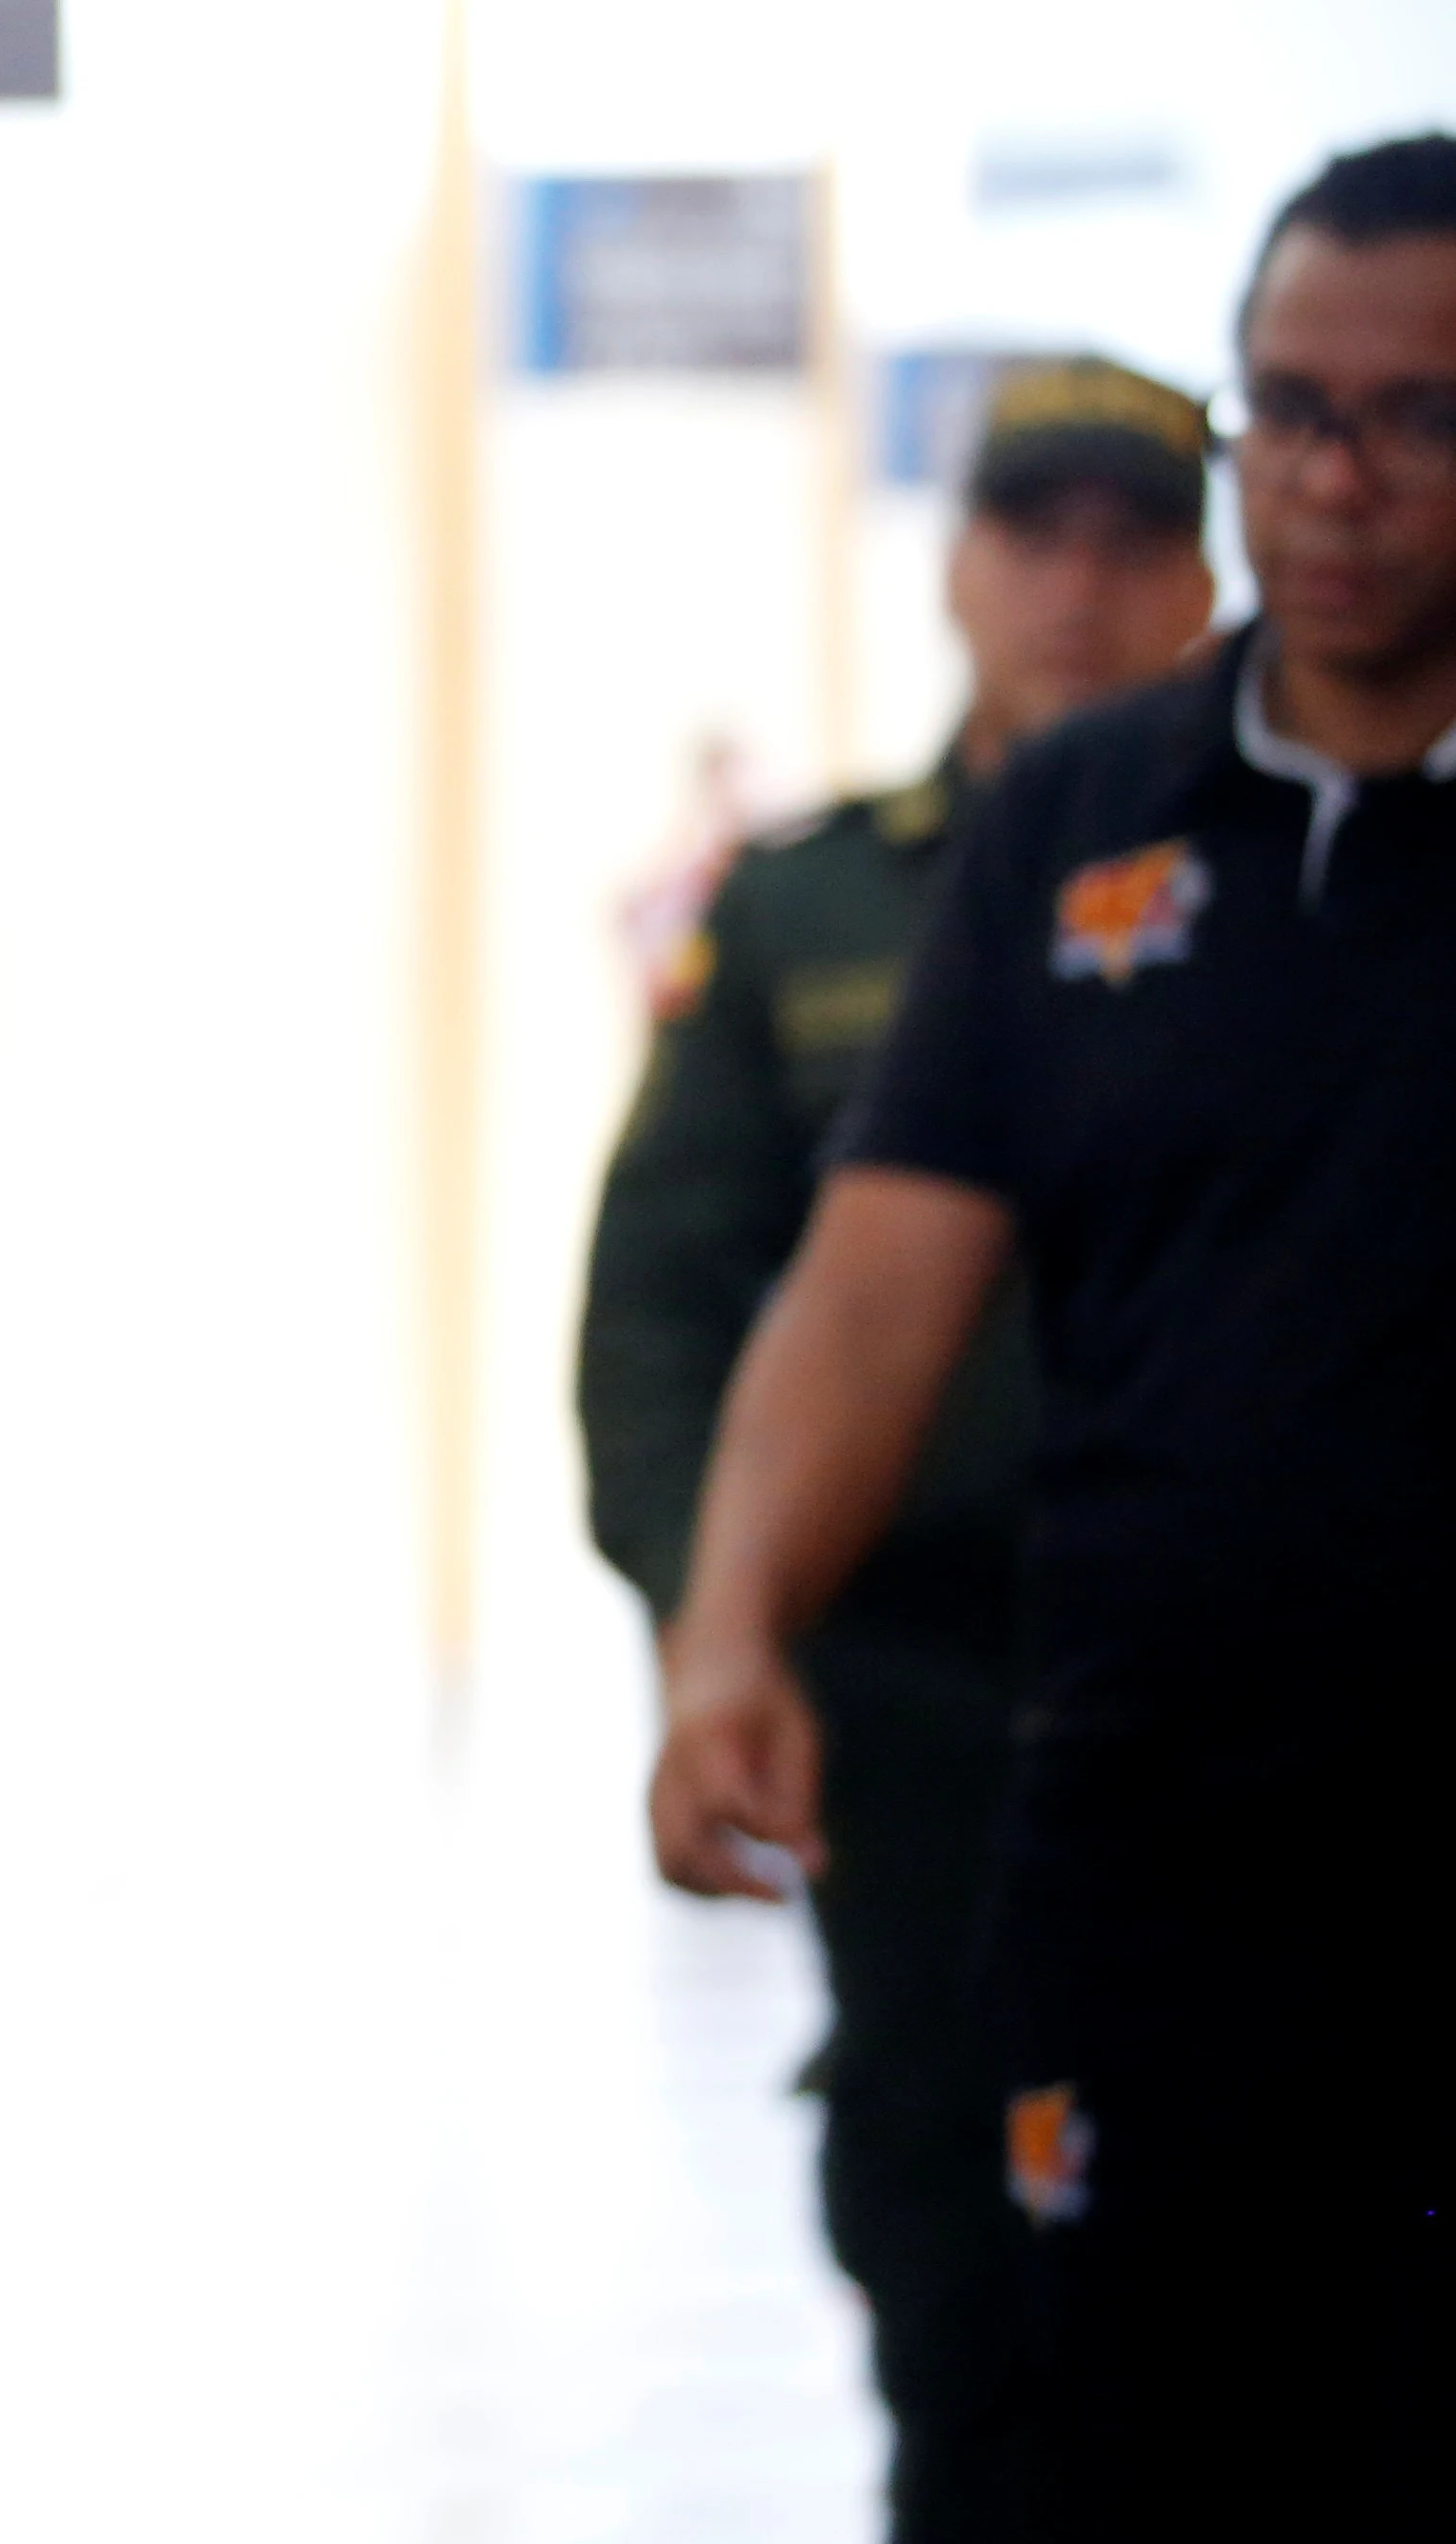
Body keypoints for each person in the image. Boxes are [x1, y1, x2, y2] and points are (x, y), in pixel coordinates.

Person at [649, 133, 1456, 2536]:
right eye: (1282, 410)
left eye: (1411, 418)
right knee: (1094, 2435)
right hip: (1131, 1823)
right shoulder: (1077, 822)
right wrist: (725, 1630)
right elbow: (869, 1278)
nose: (1329, 481)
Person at [577, 355, 1214, 2544]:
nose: (1074, 585)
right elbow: (660, 1311)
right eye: (1030, 531)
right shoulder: (820, 907)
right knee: (949, 2246)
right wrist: (709, 1620)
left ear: (1199, 575)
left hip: (1242, 1698)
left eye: (1132, 538)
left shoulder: (1320, 882)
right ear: (954, 561)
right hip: (922, 1689)